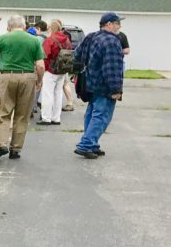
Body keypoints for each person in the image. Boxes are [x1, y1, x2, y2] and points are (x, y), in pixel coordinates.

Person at [0, 15, 46, 160]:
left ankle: (0, 144)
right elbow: (40, 65)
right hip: (27, 77)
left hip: (7, 76)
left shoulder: (4, 38)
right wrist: (39, 80)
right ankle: (15, 149)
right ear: (24, 26)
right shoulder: (34, 40)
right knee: (22, 115)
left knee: (3, 112)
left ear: (9, 26)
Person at [74, 12, 125, 159]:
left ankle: (93, 145)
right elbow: (112, 67)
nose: (119, 26)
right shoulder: (112, 41)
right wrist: (116, 89)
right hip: (105, 86)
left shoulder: (91, 37)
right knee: (102, 117)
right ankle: (86, 145)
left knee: (91, 114)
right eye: (117, 23)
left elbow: (77, 55)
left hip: (90, 83)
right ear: (109, 24)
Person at [38, 19, 72, 125]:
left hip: (50, 70)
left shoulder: (50, 39)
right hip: (62, 70)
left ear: (51, 28)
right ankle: (56, 117)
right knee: (58, 94)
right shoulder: (66, 40)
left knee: (47, 94)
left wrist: (44, 68)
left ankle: (46, 117)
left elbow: (45, 55)